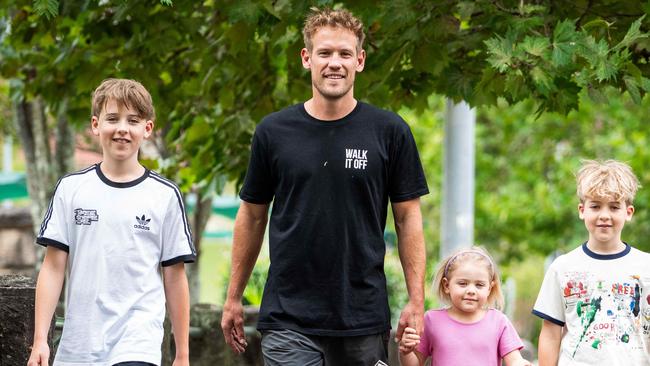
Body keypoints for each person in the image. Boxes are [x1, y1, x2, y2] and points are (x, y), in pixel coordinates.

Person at [220, 6, 429, 365]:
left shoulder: (390, 132)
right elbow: (253, 216)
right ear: (307, 58)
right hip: (289, 318)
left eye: (345, 53)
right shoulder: (273, 132)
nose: (335, 63)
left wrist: (416, 299)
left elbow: (408, 218)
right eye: (325, 53)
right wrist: (233, 296)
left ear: (360, 61)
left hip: (362, 316)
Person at [26, 78, 195, 366]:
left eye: (133, 120)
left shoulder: (164, 196)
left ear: (147, 129)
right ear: (95, 125)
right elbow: (53, 267)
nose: (122, 129)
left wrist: (182, 354)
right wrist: (40, 340)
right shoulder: (71, 189)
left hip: (138, 342)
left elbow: (174, 276)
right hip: (79, 346)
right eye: (112, 118)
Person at [533, 159, 650, 365]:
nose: (604, 215)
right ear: (582, 210)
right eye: (595, 206)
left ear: (628, 213)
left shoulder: (645, 266)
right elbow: (551, 334)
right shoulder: (562, 267)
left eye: (614, 207)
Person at [398, 247, 532, 366]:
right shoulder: (431, 320)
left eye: (479, 285)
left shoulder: (499, 321)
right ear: (446, 285)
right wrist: (406, 351)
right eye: (463, 283)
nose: (471, 290)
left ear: (490, 288)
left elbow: (514, 360)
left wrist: (520, 363)